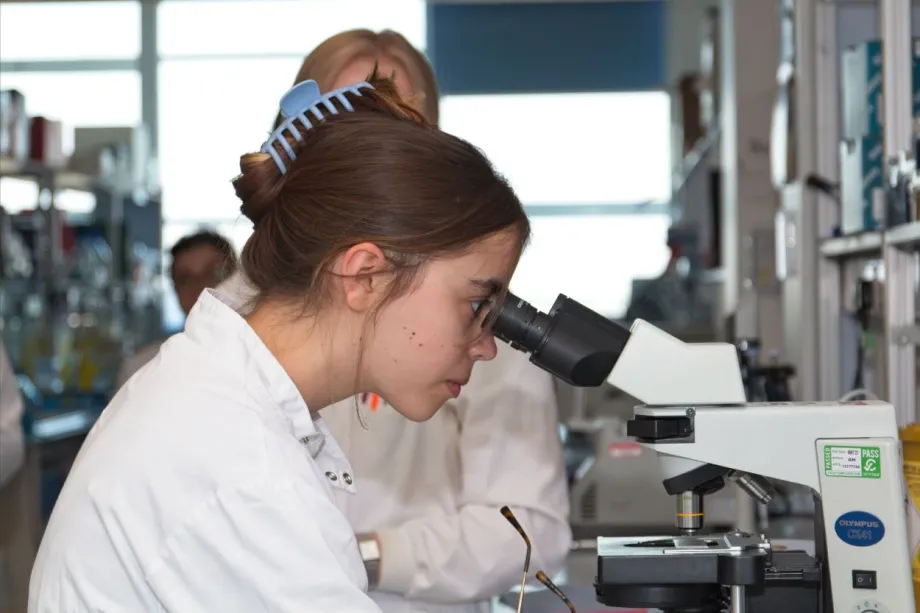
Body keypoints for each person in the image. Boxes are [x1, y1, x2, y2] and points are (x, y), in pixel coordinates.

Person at [29, 71, 532, 612]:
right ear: (365, 276)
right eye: (477, 305)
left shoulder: (220, 402)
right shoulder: (241, 471)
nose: (487, 346)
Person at [222, 30, 572, 613]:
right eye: (348, 129)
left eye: (398, 131)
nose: (372, 156)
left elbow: (531, 531)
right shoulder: (242, 322)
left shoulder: (479, 324)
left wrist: (367, 555)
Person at [114, 230, 237, 390]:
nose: (201, 288)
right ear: (175, 289)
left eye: (213, 274)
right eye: (186, 278)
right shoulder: (141, 371)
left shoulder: (263, 360)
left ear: (238, 280)